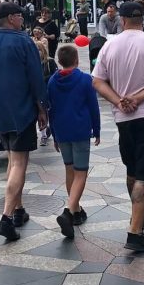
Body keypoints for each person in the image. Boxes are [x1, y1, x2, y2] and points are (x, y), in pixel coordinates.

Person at [92, 2, 144, 252]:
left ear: (122, 20)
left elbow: (97, 81)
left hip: (123, 119)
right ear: (143, 19)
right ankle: (135, 232)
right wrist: (139, 99)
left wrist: (119, 100)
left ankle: (135, 216)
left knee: (132, 169)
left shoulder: (110, 45)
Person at [0, 3, 49, 241]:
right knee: (19, 162)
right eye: (19, 16)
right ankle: (6, 218)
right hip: (22, 111)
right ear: (10, 19)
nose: (22, 19)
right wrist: (42, 109)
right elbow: (36, 79)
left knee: (12, 159)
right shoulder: (23, 41)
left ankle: (18, 209)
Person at [48, 43, 100, 238]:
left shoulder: (53, 81)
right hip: (80, 130)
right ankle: (69, 211)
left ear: (59, 61)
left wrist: (53, 133)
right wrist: (97, 129)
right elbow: (93, 106)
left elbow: (51, 109)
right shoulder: (86, 79)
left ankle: (76, 209)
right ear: (77, 60)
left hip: (61, 131)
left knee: (70, 170)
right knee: (81, 173)